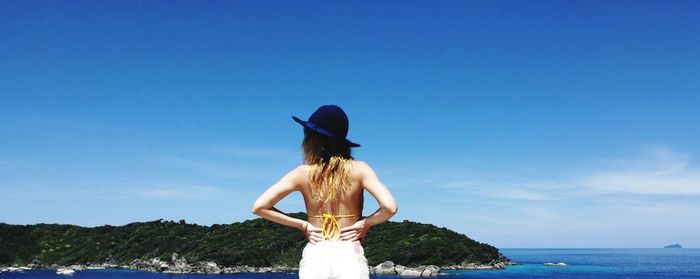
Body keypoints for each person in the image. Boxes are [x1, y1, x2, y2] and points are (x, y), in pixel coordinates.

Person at [252, 105, 398, 279]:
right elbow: (389, 207)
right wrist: (365, 224)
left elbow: (259, 207)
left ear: (312, 140)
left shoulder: (301, 173)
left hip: (316, 251)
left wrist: (303, 225)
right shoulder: (360, 170)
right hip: (349, 251)